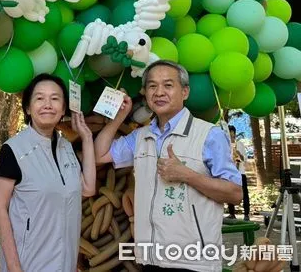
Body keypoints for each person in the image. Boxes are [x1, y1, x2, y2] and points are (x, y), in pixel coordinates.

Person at [94, 60, 242, 272]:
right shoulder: (141, 137)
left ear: (185, 92)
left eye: (168, 85)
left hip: (193, 262)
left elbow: (235, 193)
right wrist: (118, 119)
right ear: (145, 93)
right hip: (151, 259)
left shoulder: (209, 135)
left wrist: (187, 175)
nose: (159, 92)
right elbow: (100, 154)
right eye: (152, 86)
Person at [0, 74, 98, 272]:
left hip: (64, 262)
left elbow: (88, 188)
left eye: (55, 98)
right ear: (28, 108)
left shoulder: (66, 148)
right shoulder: (14, 149)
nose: (48, 104)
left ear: (64, 109)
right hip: (28, 263)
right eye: (39, 98)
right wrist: (15, 268)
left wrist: (87, 138)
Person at [228, 125, 250, 221]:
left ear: (235, 134)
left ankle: (246, 214)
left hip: (240, 172)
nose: (231, 136)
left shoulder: (239, 144)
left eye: (232, 134)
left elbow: (244, 159)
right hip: (230, 173)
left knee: (244, 193)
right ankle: (232, 213)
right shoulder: (226, 144)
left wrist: (238, 153)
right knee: (229, 193)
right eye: (229, 134)